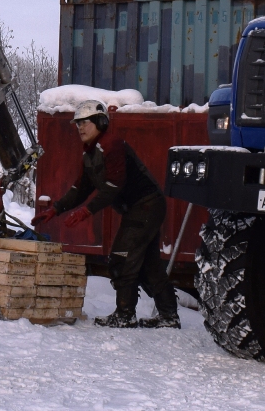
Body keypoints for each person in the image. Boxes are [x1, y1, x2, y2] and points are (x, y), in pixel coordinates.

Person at [34, 99, 179, 329]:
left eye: (85, 122)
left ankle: (125, 315)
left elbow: (114, 186)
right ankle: (169, 316)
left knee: (121, 258)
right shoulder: (90, 154)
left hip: (146, 206)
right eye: (77, 124)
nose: (80, 128)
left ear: (101, 122)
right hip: (139, 209)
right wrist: (57, 208)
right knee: (150, 264)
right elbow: (80, 188)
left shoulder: (111, 145)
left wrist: (87, 211)